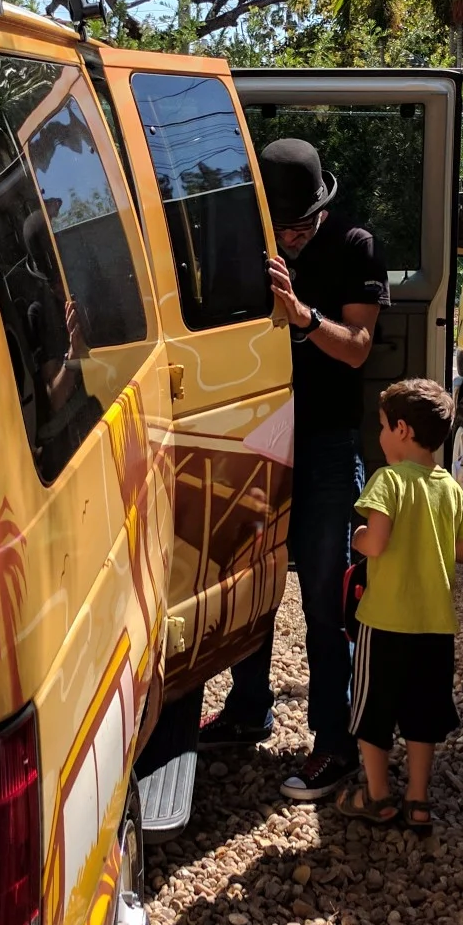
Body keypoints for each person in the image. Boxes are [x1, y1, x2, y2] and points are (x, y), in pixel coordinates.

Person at [200, 137, 389, 803]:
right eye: (280, 226)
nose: (291, 237)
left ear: (320, 209)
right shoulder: (252, 246)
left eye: (299, 225)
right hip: (257, 434)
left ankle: (332, 742)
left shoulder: (356, 245)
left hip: (326, 443)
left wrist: (303, 317)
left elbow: (359, 348)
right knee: (249, 575)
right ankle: (249, 708)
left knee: (323, 600)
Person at [333, 378, 463, 835]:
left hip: (385, 623)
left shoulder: (387, 480)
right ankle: (417, 799)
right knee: (422, 712)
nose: (379, 436)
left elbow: (375, 541)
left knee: (373, 709)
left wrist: (356, 539)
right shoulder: (449, 487)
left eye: (381, 427)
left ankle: (376, 797)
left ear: (401, 429)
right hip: (435, 626)